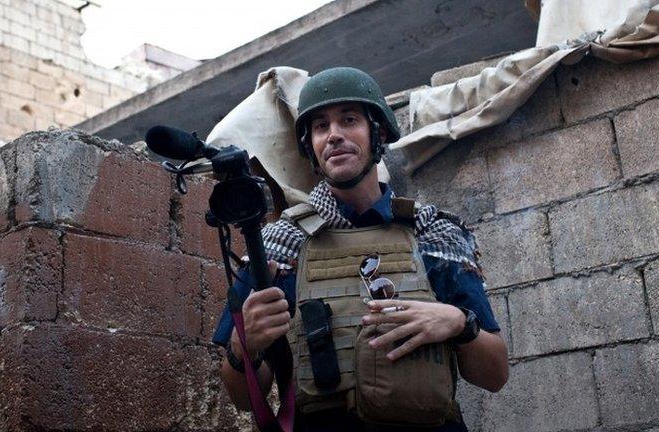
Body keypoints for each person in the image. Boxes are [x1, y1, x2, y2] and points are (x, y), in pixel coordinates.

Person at [212, 67, 508, 431]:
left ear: (378, 133)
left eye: (349, 120)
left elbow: (494, 375)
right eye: (320, 127)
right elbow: (243, 397)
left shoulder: (434, 234)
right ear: (310, 146)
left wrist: (460, 324)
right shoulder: (278, 246)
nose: (333, 135)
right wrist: (245, 351)